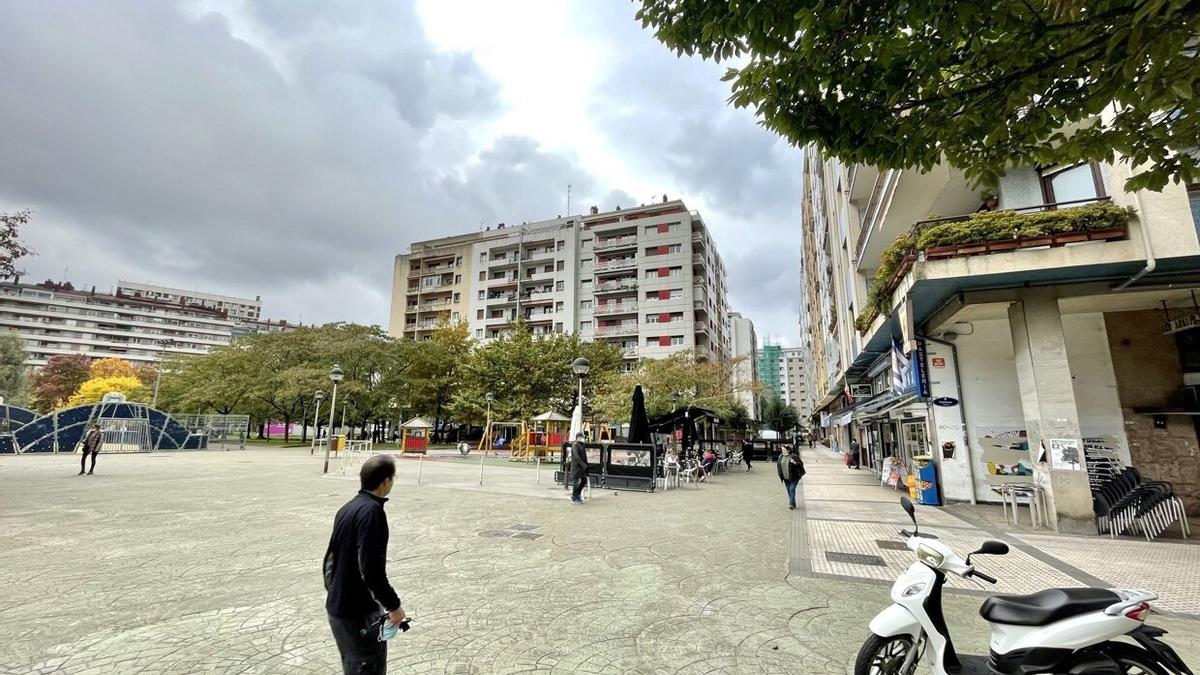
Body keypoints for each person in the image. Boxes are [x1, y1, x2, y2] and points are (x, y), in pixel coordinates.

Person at [324, 455, 406, 675]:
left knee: (354, 666)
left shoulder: (347, 508)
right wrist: (394, 606)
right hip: (358, 613)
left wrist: (336, 593)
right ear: (385, 481)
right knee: (367, 666)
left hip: (339, 608)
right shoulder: (372, 513)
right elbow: (371, 570)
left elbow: (330, 560)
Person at [776, 445, 806, 510]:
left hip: (794, 477)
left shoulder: (794, 456)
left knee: (792, 489)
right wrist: (779, 474)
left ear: (788, 450)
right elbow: (778, 466)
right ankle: (793, 503)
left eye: (784, 450)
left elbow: (801, 464)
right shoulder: (781, 456)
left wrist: (794, 462)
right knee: (789, 490)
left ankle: (791, 504)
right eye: (782, 450)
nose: (782, 451)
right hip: (785, 477)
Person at [569, 433, 588, 504]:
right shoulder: (575, 445)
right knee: (576, 483)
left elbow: (584, 456)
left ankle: (576, 494)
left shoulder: (582, 445)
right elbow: (576, 457)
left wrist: (585, 465)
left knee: (584, 480)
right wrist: (584, 465)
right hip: (576, 467)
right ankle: (574, 498)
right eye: (583, 437)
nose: (584, 439)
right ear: (578, 438)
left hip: (582, 468)